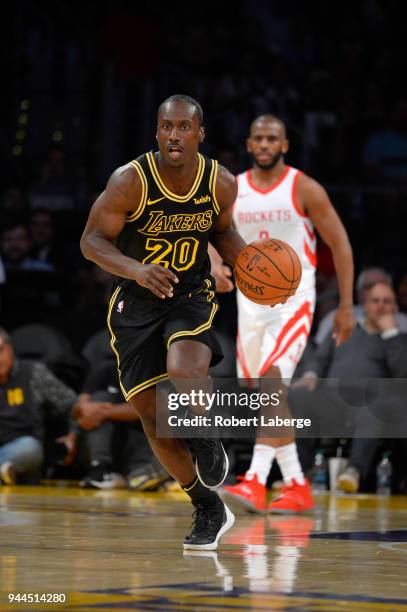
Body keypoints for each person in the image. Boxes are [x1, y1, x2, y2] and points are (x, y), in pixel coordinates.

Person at [80, 94, 247, 550]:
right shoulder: (129, 181)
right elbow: (90, 240)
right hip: (135, 303)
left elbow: (224, 231)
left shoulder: (220, 182)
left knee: (184, 369)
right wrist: (135, 269)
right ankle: (208, 506)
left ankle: (209, 439)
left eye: (183, 127)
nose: (174, 135)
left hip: (188, 293)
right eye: (166, 127)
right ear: (156, 133)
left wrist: (248, 267)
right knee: (155, 423)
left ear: (200, 133)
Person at [216, 114, 354, 513]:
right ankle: (296, 483)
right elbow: (210, 233)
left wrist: (345, 306)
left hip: (294, 299)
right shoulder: (233, 189)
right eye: (257, 137)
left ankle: (255, 481)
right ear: (248, 143)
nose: (264, 144)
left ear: (284, 145)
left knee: (274, 384)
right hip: (251, 303)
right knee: (265, 394)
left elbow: (340, 244)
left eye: (271, 138)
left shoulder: (303, 187)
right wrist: (213, 264)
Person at [289, 282, 407, 493]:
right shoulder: (345, 329)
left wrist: (390, 333)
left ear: (395, 308)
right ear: (366, 305)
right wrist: (311, 375)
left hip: (370, 404)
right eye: (375, 301)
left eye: (386, 301)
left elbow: (402, 374)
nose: (380, 306)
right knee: (299, 396)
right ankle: (298, 476)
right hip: (333, 399)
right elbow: (320, 357)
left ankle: (354, 471)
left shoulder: (398, 340)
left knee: (376, 403)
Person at [0, 327, 77, 484]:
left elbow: (75, 406)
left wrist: (73, 437)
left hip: (22, 452)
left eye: (0, 350)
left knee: (29, 448)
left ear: (10, 348)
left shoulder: (33, 373)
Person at [76, 362, 169, 490]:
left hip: (139, 438)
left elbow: (149, 408)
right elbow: (81, 405)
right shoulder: (106, 370)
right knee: (100, 397)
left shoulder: (154, 370)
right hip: (108, 440)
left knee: (151, 420)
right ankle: (100, 469)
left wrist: (103, 412)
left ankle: (144, 472)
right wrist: (86, 410)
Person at [315, 267, 407, 345]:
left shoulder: (403, 322)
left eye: (382, 285)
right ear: (358, 292)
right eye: (369, 286)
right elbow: (318, 355)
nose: (376, 290)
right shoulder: (335, 317)